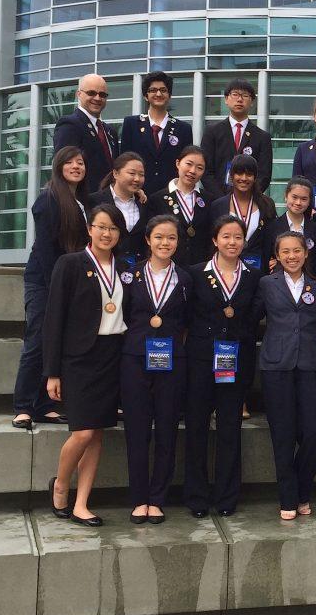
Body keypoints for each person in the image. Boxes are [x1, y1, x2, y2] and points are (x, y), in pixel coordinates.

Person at [44, 203, 128, 527]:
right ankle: (61, 484)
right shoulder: (70, 264)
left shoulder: (125, 268)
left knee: (97, 435)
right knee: (82, 432)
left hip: (112, 356)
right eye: (101, 227)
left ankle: (82, 503)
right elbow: (53, 321)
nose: (107, 234)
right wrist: (52, 371)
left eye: (113, 228)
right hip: (79, 359)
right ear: (90, 229)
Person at [183, 215, 260, 518]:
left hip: (235, 359)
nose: (232, 242)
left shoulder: (253, 277)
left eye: (238, 237)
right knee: (197, 427)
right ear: (214, 240)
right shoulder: (195, 274)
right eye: (226, 236)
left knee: (230, 427)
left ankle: (227, 496)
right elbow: (187, 317)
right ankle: (196, 495)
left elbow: (253, 317)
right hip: (201, 359)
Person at [120, 214, 191, 525]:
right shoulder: (129, 276)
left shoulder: (187, 278)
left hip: (172, 360)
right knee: (137, 431)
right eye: (159, 237)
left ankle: (157, 498)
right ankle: (139, 498)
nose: (165, 243)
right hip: (135, 359)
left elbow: (189, 320)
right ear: (148, 240)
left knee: (166, 430)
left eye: (171, 238)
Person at [12, 147, 89, 430]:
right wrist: (56, 286)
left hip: (66, 282)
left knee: (55, 343)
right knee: (37, 341)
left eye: (80, 162)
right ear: (58, 166)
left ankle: (45, 406)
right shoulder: (49, 199)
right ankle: (23, 406)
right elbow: (44, 249)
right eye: (69, 162)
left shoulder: (80, 201)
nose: (75, 166)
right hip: (44, 282)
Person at [255, 232, 316, 520]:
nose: (292, 256)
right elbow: (253, 318)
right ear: (277, 255)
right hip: (277, 365)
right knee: (283, 435)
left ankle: (302, 488)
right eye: (285, 251)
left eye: (296, 250)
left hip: (311, 363)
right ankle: (289, 497)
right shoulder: (266, 284)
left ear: (306, 253)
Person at [120, 71, 194, 195]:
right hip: (138, 194)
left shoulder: (183, 129)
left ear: (169, 95)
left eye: (163, 90)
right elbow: (124, 162)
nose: (158, 94)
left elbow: (186, 165)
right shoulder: (131, 124)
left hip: (172, 196)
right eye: (153, 90)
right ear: (145, 96)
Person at [200, 78, 272, 200]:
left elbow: (264, 175)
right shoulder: (212, 132)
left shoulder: (262, 137)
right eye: (235, 94)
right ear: (226, 99)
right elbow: (206, 172)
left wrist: (246, 197)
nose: (239, 99)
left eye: (245, 95)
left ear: (252, 101)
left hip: (248, 202)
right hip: (217, 201)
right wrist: (223, 199)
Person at [209, 154, 277, 274]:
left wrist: (276, 258)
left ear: (255, 177)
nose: (244, 178)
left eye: (249, 174)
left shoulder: (266, 204)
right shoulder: (217, 206)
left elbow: (272, 237)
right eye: (239, 173)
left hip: (258, 271)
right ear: (231, 176)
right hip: (224, 271)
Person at [146, 146, 212, 267]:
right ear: (178, 163)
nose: (193, 171)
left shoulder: (209, 200)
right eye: (189, 164)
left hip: (200, 266)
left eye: (199, 168)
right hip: (168, 265)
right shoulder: (157, 199)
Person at [53, 74, 119, 193]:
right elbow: (64, 169)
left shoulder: (110, 132)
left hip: (108, 202)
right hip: (83, 200)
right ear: (79, 94)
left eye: (102, 95)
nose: (97, 98)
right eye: (91, 93)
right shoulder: (69, 124)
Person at [88, 152, 148, 270]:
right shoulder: (94, 201)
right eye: (131, 173)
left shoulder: (144, 203)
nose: (137, 179)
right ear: (115, 173)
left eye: (141, 175)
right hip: (102, 268)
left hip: (138, 271)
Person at [268, 178, 316, 275]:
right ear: (286, 196)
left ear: (310, 201)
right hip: (280, 283)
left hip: (309, 282)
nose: (298, 203)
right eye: (294, 197)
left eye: (304, 199)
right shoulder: (272, 227)